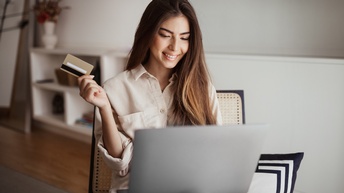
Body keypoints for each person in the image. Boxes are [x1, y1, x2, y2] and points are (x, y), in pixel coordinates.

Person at [78, 0, 222, 192]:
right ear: (148, 33)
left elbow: (217, 151)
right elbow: (118, 165)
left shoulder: (203, 88)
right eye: (165, 35)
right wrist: (104, 107)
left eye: (184, 38)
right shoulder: (115, 88)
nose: (175, 47)